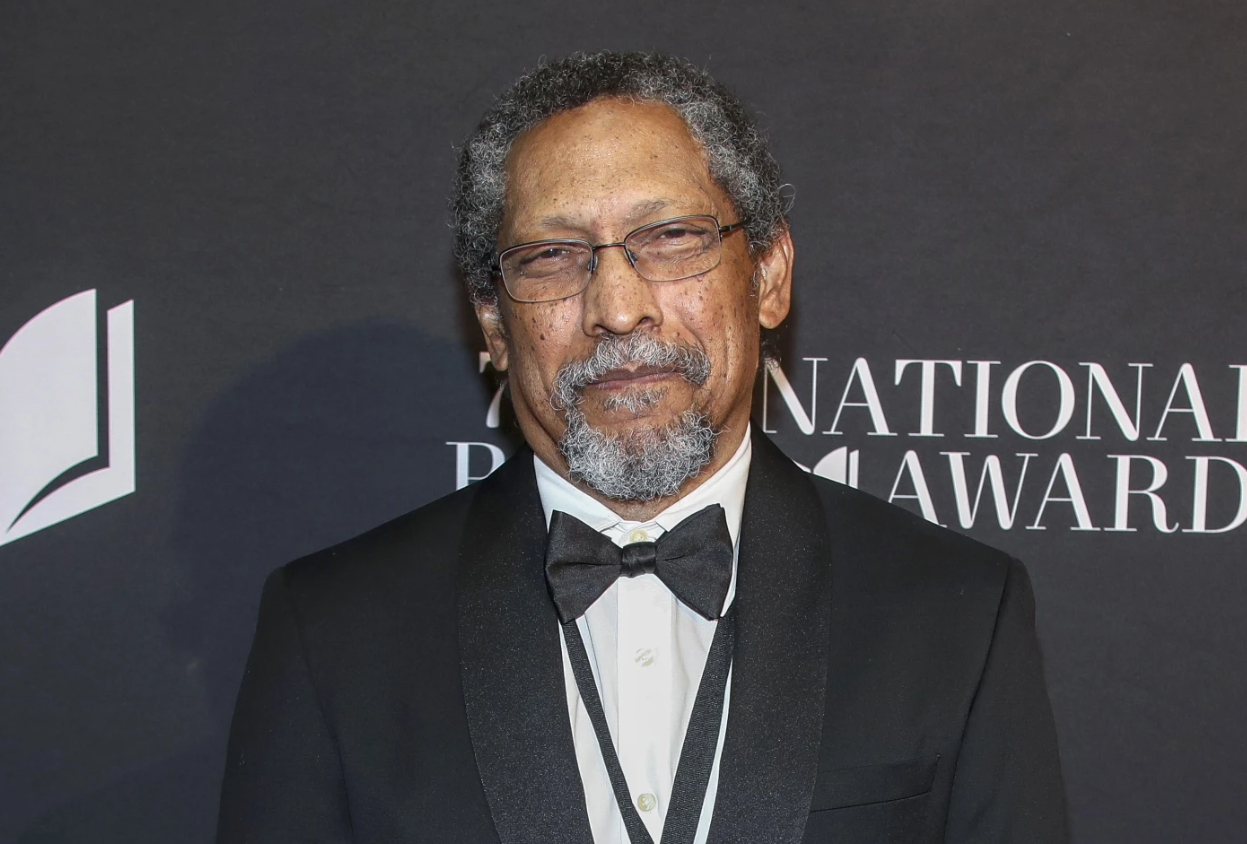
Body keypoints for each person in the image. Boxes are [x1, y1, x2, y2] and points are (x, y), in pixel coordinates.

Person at [216, 51, 1068, 844]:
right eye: (552, 255)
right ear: (494, 323)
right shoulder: (333, 629)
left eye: (670, 238)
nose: (618, 308)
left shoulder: (954, 611)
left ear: (768, 275)